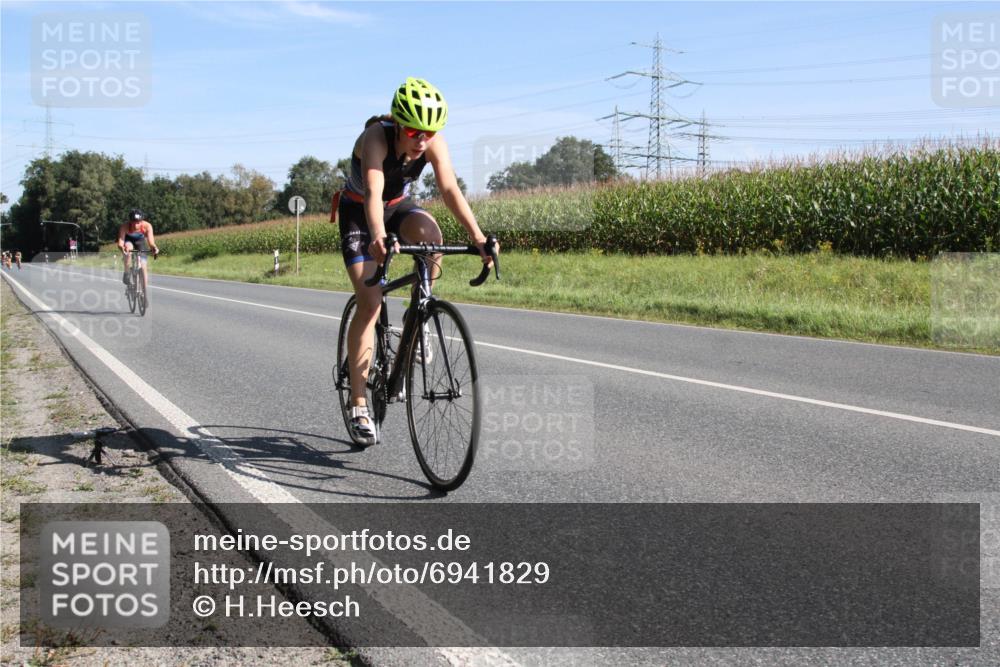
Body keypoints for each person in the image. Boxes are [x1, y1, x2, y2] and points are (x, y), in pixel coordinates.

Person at [337, 77, 494, 445]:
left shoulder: (432, 142)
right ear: (398, 124)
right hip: (360, 213)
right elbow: (373, 191)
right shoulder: (376, 137)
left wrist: (478, 237)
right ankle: (358, 403)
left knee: (431, 239)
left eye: (430, 132)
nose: (422, 140)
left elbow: (450, 189)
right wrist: (378, 236)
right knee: (370, 303)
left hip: (398, 207)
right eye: (413, 131)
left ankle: (417, 314)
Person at [116, 209, 159, 291]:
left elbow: (151, 242)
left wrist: (154, 248)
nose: (136, 225)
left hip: (140, 242)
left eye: (138, 222)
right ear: (130, 221)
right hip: (128, 241)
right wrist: (123, 249)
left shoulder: (147, 226)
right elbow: (120, 243)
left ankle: (144, 291)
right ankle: (127, 273)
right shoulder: (124, 227)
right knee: (128, 250)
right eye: (133, 222)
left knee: (143, 266)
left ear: (142, 221)